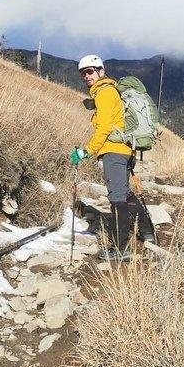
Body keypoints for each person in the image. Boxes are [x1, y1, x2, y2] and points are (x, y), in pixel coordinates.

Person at [70, 54, 137, 261]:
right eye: (83, 74)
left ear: (101, 70)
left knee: (117, 199)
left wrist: (86, 151)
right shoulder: (109, 90)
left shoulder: (105, 92)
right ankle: (146, 232)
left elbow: (104, 128)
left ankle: (121, 250)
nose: (86, 76)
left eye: (90, 71)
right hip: (123, 150)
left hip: (114, 152)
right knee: (124, 194)